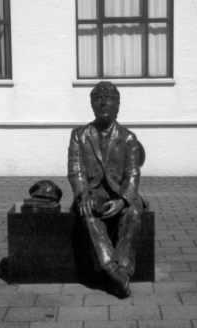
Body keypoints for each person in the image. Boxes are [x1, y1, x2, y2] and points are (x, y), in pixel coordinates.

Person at [68, 81, 143, 298]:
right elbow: (75, 170)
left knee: (133, 212)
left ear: (117, 106)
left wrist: (123, 199)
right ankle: (112, 269)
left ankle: (124, 269)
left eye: (109, 99)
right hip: (92, 192)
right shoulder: (79, 134)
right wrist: (83, 194)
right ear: (92, 105)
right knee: (88, 212)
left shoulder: (129, 137)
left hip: (120, 193)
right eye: (98, 99)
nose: (103, 103)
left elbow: (133, 174)